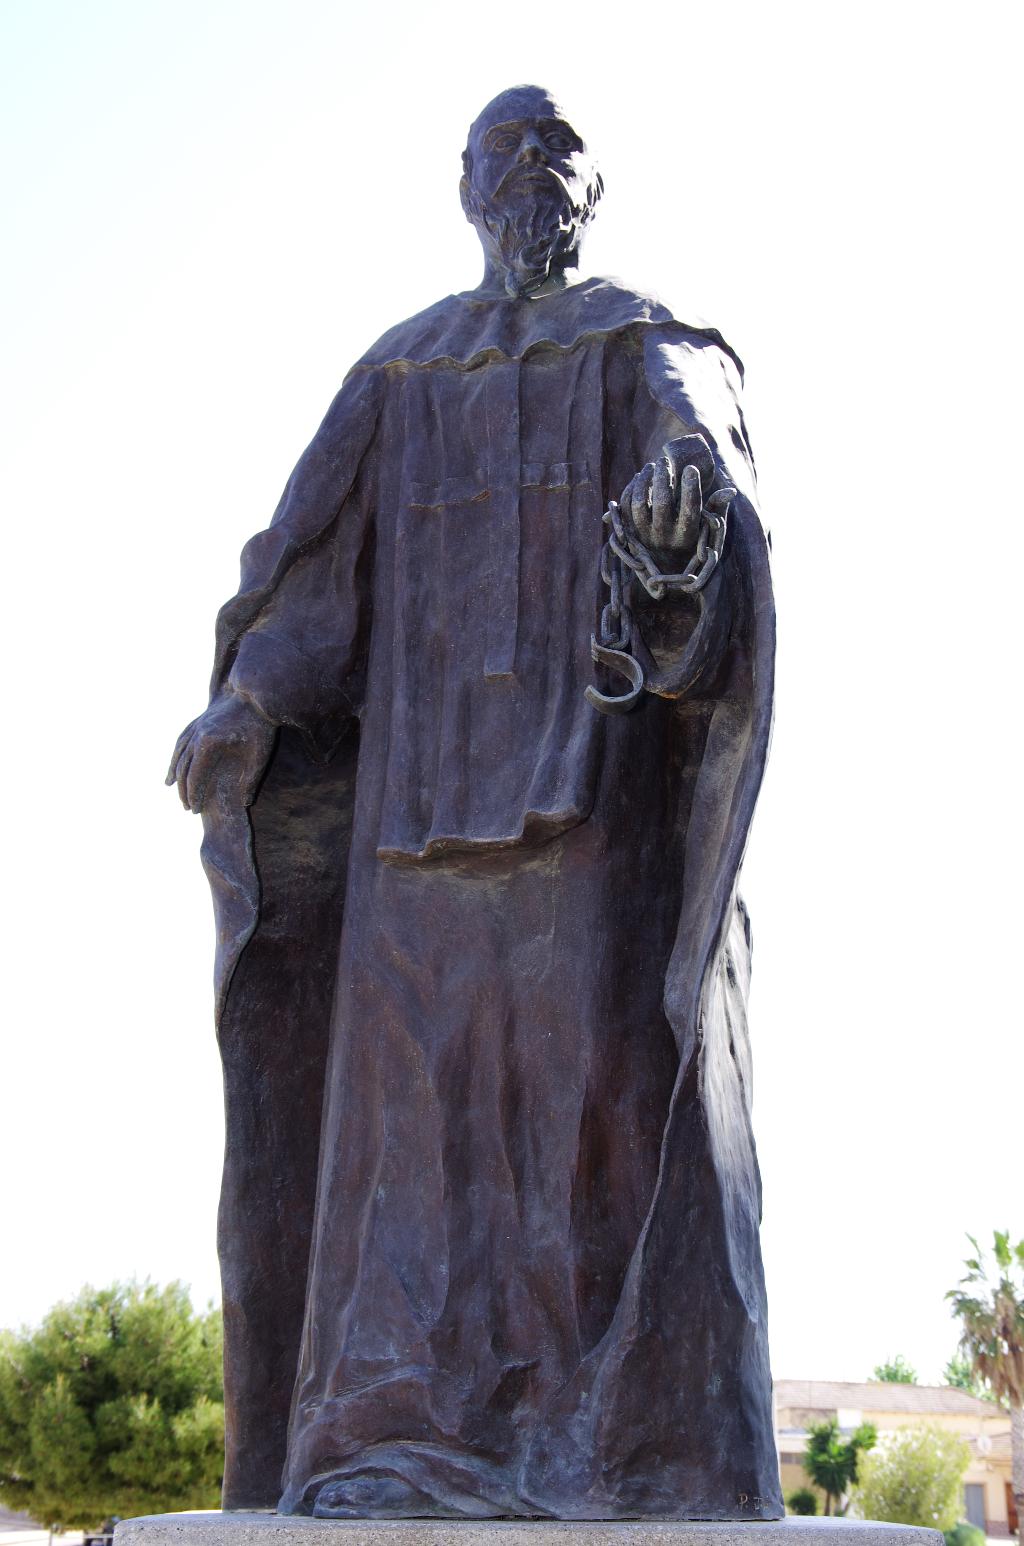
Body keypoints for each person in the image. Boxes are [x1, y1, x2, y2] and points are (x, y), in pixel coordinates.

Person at [169, 84, 782, 1522]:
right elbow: (317, 574)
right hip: (408, 846)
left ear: (592, 187)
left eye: (553, 151)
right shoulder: (401, 374)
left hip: (589, 826)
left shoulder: (648, 344)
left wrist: (685, 541)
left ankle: (619, 1447)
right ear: (462, 189)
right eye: (499, 154)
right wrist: (251, 701)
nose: (526, 175)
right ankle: (399, 1439)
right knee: (408, 1163)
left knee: (594, 1127)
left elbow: (704, 470)